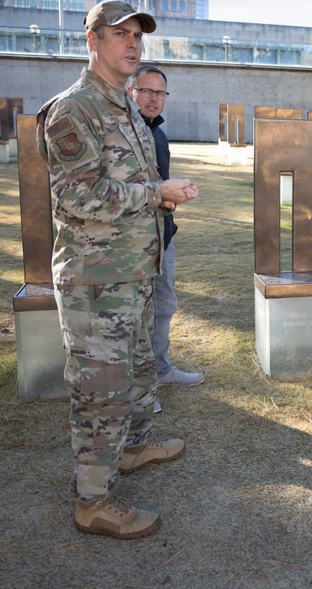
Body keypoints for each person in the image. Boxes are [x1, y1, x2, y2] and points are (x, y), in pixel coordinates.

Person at [37, 0, 199, 539]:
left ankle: (133, 447)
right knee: (101, 389)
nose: (132, 43)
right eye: (120, 33)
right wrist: (156, 193)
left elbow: (130, 185)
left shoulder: (127, 108)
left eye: (138, 35)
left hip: (132, 273)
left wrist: (161, 198)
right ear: (92, 40)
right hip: (96, 280)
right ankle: (94, 502)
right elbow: (77, 197)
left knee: (137, 369)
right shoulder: (73, 109)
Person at [126, 65, 205, 413]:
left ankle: (160, 370)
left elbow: (158, 186)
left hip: (163, 236)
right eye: (146, 91)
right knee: (135, 316)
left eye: (160, 93)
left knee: (163, 306)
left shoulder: (158, 133)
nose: (153, 98)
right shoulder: (123, 134)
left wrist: (174, 196)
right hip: (133, 243)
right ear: (130, 92)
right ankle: (136, 390)